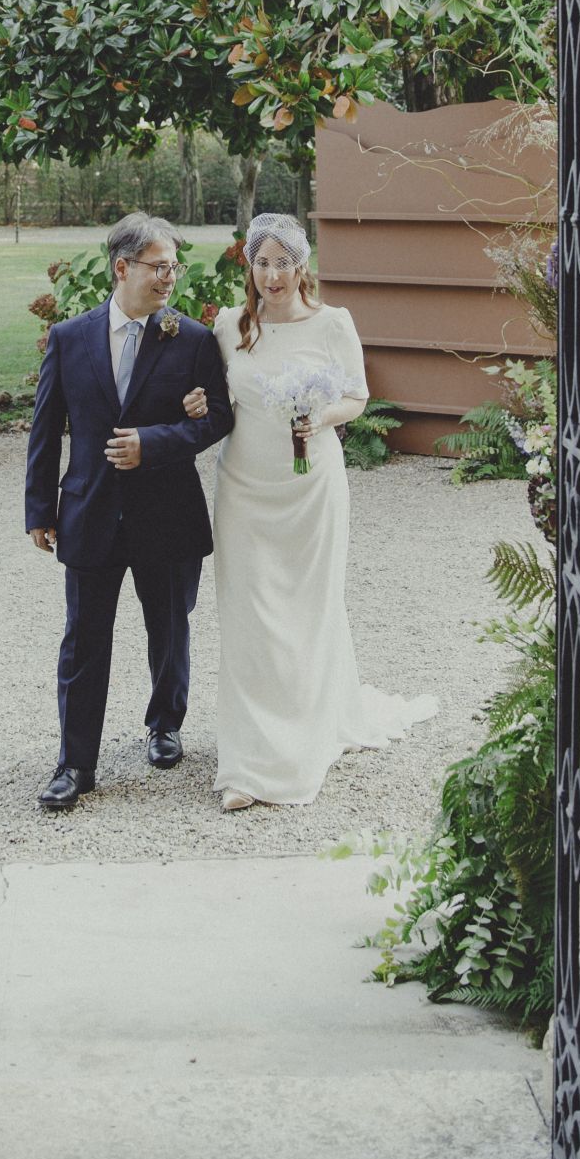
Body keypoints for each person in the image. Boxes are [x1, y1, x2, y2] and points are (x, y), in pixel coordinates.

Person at [183, 212, 437, 811]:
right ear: (249, 265)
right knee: (249, 618)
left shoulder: (333, 324)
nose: (271, 276)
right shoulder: (230, 326)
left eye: (283, 263)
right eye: (261, 262)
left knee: (306, 609)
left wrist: (318, 417)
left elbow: (356, 394)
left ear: (303, 267)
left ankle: (303, 739)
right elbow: (215, 397)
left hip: (311, 488)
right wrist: (196, 400)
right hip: (244, 488)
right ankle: (248, 760)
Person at [24, 213, 233, 813]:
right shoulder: (69, 339)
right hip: (89, 512)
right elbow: (45, 431)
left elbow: (217, 417)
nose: (170, 278)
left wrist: (155, 442)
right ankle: (75, 763)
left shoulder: (192, 339)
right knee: (83, 640)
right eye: (158, 267)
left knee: (169, 629)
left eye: (174, 267)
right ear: (122, 268)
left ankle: (165, 725)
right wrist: (40, 507)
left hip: (168, 513)